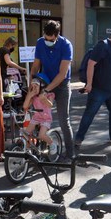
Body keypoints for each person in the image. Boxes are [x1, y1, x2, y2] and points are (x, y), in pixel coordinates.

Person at [74, 27, 111, 147]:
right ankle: (78, 138)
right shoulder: (103, 46)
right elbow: (91, 64)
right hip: (98, 89)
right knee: (90, 113)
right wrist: (89, 84)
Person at [31, 20, 75, 159]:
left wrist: (47, 90)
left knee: (63, 120)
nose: (47, 41)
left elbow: (62, 74)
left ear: (57, 35)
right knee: (39, 116)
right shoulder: (40, 43)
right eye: (45, 38)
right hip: (45, 81)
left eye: (50, 39)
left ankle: (70, 154)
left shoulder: (66, 45)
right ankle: (40, 151)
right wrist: (32, 81)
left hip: (61, 85)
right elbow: (36, 65)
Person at [23, 73, 57, 155]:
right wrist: (29, 95)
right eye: (33, 86)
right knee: (26, 133)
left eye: (36, 86)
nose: (34, 88)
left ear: (42, 86)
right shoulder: (33, 97)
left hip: (46, 119)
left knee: (41, 135)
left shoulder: (49, 95)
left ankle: (52, 144)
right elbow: (25, 106)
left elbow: (50, 105)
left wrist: (44, 99)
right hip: (36, 118)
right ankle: (28, 148)